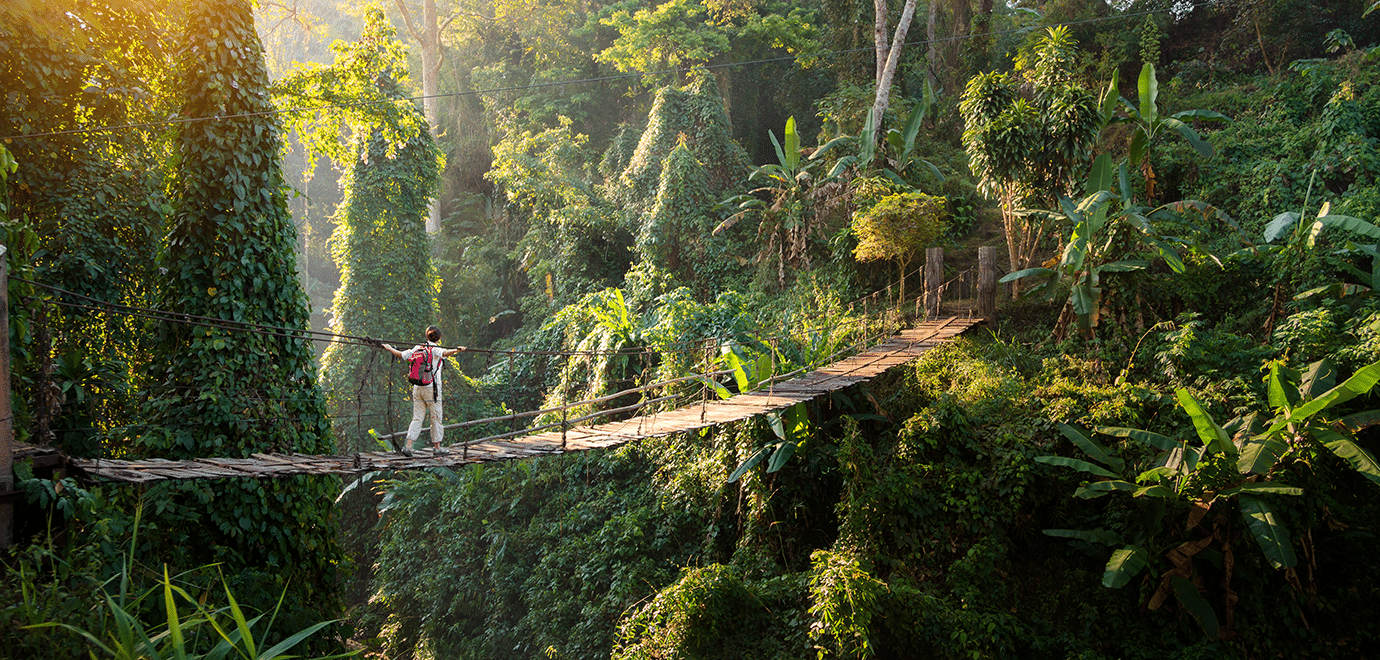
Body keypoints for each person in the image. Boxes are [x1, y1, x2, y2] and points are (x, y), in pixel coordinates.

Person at [381, 326, 464, 455]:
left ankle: (408, 447)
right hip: (432, 389)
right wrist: (457, 350)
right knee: (435, 417)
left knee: (417, 418)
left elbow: (401, 355)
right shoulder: (435, 349)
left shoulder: (418, 348)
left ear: (426, 336)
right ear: (440, 338)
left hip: (417, 388)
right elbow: (445, 353)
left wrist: (389, 348)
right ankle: (437, 448)